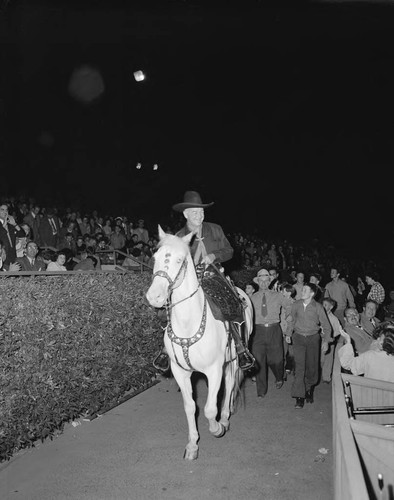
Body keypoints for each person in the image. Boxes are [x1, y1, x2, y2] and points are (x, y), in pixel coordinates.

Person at [153, 190, 255, 373]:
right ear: (185, 214)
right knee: (167, 310)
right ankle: (165, 351)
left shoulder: (215, 229)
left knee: (232, 304)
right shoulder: (178, 235)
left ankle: (241, 349)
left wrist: (214, 255)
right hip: (189, 280)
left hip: (213, 275)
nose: (199, 216)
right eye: (194, 212)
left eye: (201, 212)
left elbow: (229, 251)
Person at [285, 283, 331, 409]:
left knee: (312, 367)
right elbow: (292, 320)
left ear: (312, 293)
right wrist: (289, 333)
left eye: (305, 290)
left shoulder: (318, 307)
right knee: (299, 367)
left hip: (313, 339)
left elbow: (327, 326)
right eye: (303, 289)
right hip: (298, 337)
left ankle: (309, 388)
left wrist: (326, 341)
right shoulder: (296, 304)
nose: (302, 291)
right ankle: (299, 397)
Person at [250, 269, 289, 398]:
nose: (263, 283)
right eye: (261, 281)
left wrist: (287, 324)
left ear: (269, 282)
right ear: (258, 282)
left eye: (266, 281)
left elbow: (290, 307)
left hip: (274, 330)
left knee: (277, 359)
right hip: (258, 331)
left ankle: (279, 376)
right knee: (258, 361)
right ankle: (261, 391)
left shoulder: (278, 296)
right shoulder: (252, 298)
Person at [321, 297, 342, 383]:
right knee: (321, 358)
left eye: (325, 305)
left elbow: (338, 330)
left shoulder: (334, 319)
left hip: (329, 340)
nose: (323, 306)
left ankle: (326, 377)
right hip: (320, 338)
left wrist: (332, 337)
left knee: (328, 359)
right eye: (322, 304)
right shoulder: (319, 315)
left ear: (331, 307)